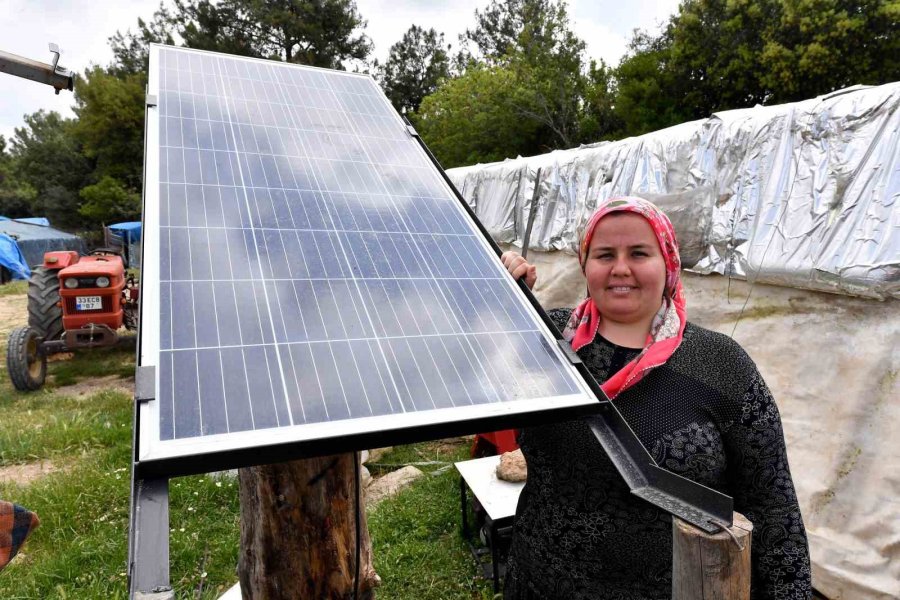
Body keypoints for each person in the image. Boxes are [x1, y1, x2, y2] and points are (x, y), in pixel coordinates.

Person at [499, 196, 811, 600]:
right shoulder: (546, 341)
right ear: (585, 264)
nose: (620, 268)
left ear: (668, 264)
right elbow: (455, 371)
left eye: (639, 253)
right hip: (539, 581)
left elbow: (773, 508)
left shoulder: (720, 365)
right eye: (604, 254)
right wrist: (497, 298)